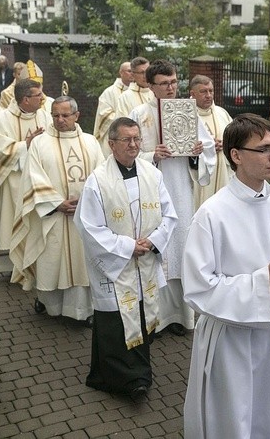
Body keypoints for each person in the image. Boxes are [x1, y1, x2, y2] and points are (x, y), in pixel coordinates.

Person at [182, 113, 270, 438]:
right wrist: (263, 282)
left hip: (269, 333)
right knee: (230, 419)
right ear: (236, 155)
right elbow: (198, 287)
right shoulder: (212, 214)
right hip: (228, 338)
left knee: (266, 414)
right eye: (264, 149)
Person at [74, 117, 178, 398]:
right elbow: (88, 226)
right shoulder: (98, 180)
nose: (133, 145)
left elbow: (169, 214)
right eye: (126, 140)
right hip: (116, 266)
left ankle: (136, 374)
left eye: (136, 139)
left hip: (145, 262)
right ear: (111, 144)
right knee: (115, 323)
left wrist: (154, 241)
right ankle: (124, 380)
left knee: (141, 317)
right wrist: (126, 246)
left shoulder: (152, 174)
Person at [128, 59, 215, 336]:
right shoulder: (139, 114)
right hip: (150, 191)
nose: (171, 87)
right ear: (151, 86)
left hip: (179, 189)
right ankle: (156, 317)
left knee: (181, 245)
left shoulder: (187, 111)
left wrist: (197, 152)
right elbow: (127, 152)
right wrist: (151, 154)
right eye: (164, 83)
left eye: (174, 82)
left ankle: (181, 315)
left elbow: (207, 148)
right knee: (157, 248)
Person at [9, 96, 105, 321]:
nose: (60, 120)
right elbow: (32, 178)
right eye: (55, 115)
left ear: (76, 116)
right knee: (52, 259)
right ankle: (49, 305)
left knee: (82, 262)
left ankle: (83, 311)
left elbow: (102, 177)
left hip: (84, 216)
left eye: (65, 115)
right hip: (52, 216)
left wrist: (86, 203)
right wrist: (56, 203)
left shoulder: (91, 142)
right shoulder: (40, 143)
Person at [0, 78, 49, 273]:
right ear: (25, 99)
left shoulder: (44, 115)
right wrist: (25, 145)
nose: (43, 98)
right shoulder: (3, 120)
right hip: (14, 182)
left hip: (39, 180)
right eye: (38, 95)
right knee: (13, 223)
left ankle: (35, 261)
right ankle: (13, 267)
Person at [189, 74, 233, 208]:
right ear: (193, 93)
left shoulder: (222, 113)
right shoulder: (186, 115)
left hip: (222, 173)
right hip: (198, 176)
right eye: (203, 91)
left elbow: (236, 138)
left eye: (211, 91)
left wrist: (225, 144)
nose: (208, 95)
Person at [93, 61, 134, 153]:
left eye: (133, 71)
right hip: (114, 135)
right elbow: (104, 115)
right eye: (129, 71)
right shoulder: (109, 92)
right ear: (121, 72)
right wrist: (125, 118)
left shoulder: (137, 92)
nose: (132, 74)